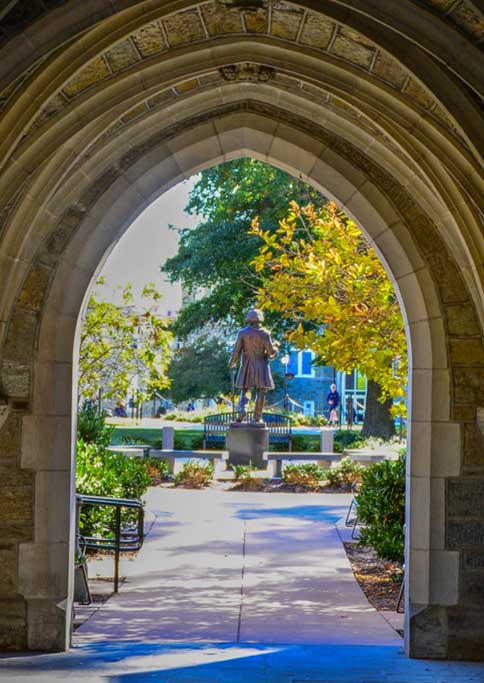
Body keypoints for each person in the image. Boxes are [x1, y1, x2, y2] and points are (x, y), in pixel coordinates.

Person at [229, 308, 278, 423]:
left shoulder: (242, 333)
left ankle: (243, 410)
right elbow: (271, 353)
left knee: (245, 389)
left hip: (247, 364)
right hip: (261, 364)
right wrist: (276, 349)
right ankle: (257, 416)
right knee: (261, 391)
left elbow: (236, 350)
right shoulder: (265, 333)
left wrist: (232, 362)